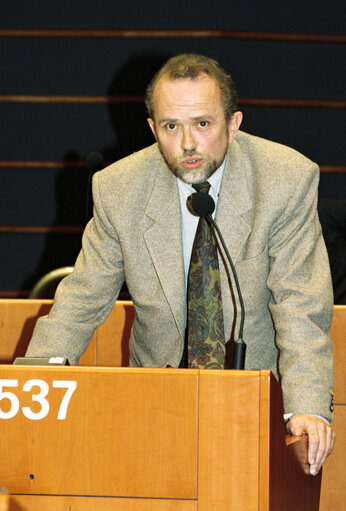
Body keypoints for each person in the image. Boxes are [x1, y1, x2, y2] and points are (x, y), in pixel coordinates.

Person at [26, 53, 335, 475]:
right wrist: (31, 393)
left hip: (257, 402)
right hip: (156, 404)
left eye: (202, 124)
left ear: (233, 123)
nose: (188, 144)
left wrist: (306, 410)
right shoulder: (119, 189)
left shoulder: (286, 180)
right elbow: (82, 300)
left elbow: (300, 305)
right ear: (154, 129)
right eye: (172, 126)